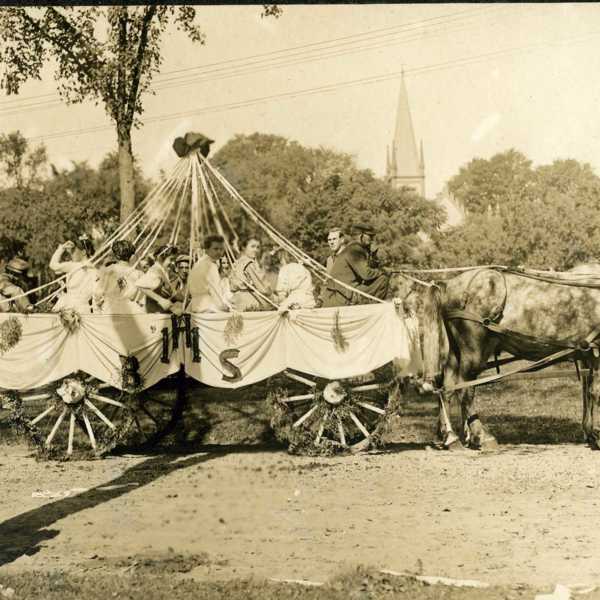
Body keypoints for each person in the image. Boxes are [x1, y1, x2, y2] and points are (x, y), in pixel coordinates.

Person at [321, 223, 390, 308]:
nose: (372, 239)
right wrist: (383, 271)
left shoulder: (351, 248)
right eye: (370, 236)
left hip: (338, 296)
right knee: (384, 278)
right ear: (361, 236)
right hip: (340, 298)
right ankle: (372, 308)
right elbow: (366, 275)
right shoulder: (355, 250)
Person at [93, 240, 145, 314]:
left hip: (110, 314)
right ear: (131, 256)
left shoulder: (106, 271)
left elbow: (97, 294)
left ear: (115, 255)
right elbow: (142, 300)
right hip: (131, 316)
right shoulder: (139, 274)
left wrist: (98, 310)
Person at [49, 234, 97, 314]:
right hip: (84, 310)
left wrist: (62, 248)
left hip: (69, 307)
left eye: (74, 250)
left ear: (83, 252)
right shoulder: (95, 269)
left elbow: (53, 265)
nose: (71, 253)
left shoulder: (73, 266)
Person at [188, 235, 231, 313]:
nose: (219, 252)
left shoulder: (198, 263)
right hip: (208, 307)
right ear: (206, 250)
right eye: (215, 249)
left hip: (195, 306)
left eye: (221, 249)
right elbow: (215, 290)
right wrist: (223, 306)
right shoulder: (211, 266)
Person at [230, 237, 273, 311]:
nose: (255, 250)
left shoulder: (237, 262)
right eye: (252, 246)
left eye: (258, 247)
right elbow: (263, 287)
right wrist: (272, 294)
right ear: (244, 247)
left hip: (236, 301)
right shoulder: (249, 263)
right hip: (249, 302)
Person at [135, 244, 179, 313]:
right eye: (171, 259)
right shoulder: (155, 270)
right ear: (161, 257)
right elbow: (140, 285)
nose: (173, 263)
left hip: (160, 312)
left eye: (174, 260)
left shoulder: (163, 270)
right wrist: (160, 299)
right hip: (154, 314)